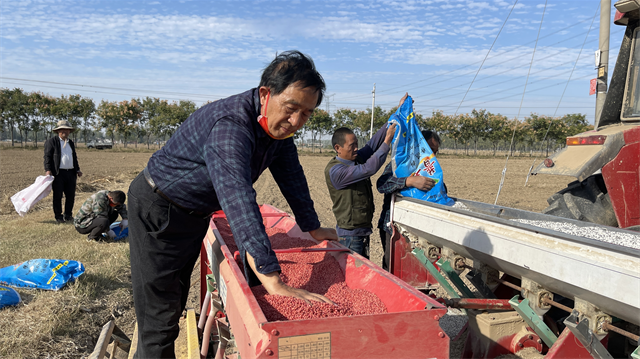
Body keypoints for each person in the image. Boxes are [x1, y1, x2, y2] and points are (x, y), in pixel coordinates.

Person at [127, 50, 338, 358]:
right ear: (266, 94)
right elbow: (238, 198)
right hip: (161, 210)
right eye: (291, 108)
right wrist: (273, 280)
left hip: (193, 214)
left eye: (306, 114)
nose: (295, 121)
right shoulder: (231, 125)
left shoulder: (275, 132)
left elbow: (292, 177)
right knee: (159, 319)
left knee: (173, 296)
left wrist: (312, 227)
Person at [324, 120, 397, 259]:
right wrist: (387, 141)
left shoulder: (356, 159)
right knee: (355, 274)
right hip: (350, 237)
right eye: (352, 146)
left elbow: (372, 145)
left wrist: (392, 120)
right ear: (338, 148)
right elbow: (368, 168)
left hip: (361, 232)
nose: (356, 148)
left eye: (357, 144)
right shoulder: (336, 171)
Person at [376, 130, 441, 270]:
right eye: (429, 150)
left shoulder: (431, 170)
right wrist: (408, 181)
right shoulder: (400, 163)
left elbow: (440, 192)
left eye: (435, 152)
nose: (432, 156)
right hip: (394, 228)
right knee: (393, 268)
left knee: (418, 270)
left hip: (419, 230)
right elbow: (382, 184)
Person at [44, 120, 83, 224]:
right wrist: (48, 170)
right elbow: (47, 157)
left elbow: (74, 157)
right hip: (58, 174)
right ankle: (58, 216)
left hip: (71, 173)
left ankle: (68, 215)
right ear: (58, 131)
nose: (65, 131)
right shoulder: (52, 142)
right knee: (58, 196)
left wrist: (77, 169)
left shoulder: (70, 143)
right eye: (63, 129)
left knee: (70, 196)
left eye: (67, 129)